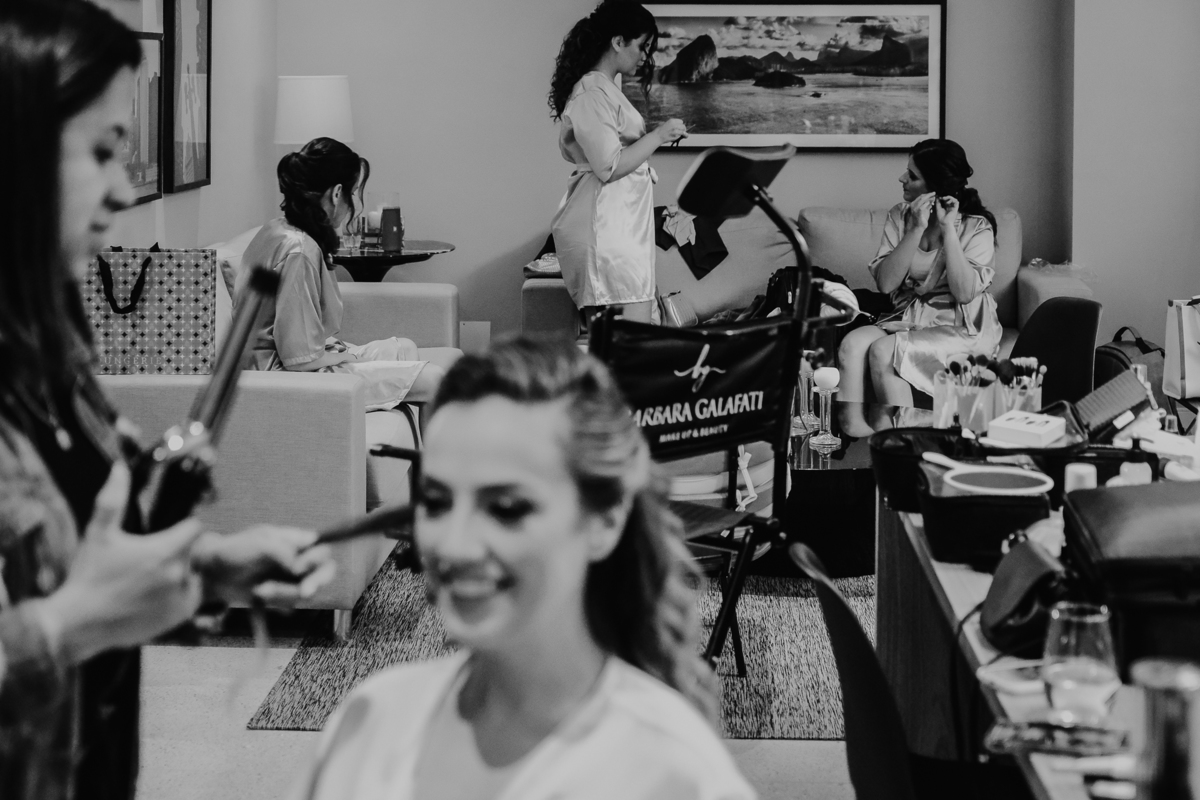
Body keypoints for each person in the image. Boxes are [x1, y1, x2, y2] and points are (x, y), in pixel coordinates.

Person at [0, 2, 335, 798]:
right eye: (102, 152)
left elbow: (83, 554)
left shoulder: (53, 346)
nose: (124, 190)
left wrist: (207, 567)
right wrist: (75, 622)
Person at [291, 338, 755, 800]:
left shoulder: (672, 775)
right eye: (436, 502)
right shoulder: (371, 720)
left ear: (605, 520)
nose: (454, 545)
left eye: (507, 508)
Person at [236, 137, 447, 410]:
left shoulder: (277, 229)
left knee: (403, 347)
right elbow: (300, 360)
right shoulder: (300, 251)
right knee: (435, 379)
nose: (353, 204)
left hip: (286, 365)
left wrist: (343, 355)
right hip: (283, 380)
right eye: (353, 193)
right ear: (337, 194)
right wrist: (346, 359)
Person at [549, 1, 688, 326]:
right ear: (618, 41)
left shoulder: (603, 90)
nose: (644, 56)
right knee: (626, 343)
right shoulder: (591, 93)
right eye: (641, 46)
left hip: (619, 229)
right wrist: (659, 135)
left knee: (630, 341)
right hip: (606, 232)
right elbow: (608, 166)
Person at [837, 139, 1002, 405]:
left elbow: (964, 293)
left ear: (936, 187)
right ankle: (852, 426)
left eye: (912, 176)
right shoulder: (900, 216)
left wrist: (948, 229)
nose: (902, 178)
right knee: (852, 345)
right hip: (909, 318)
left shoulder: (976, 226)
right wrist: (915, 228)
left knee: (883, 350)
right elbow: (886, 284)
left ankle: (902, 430)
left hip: (959, 325)